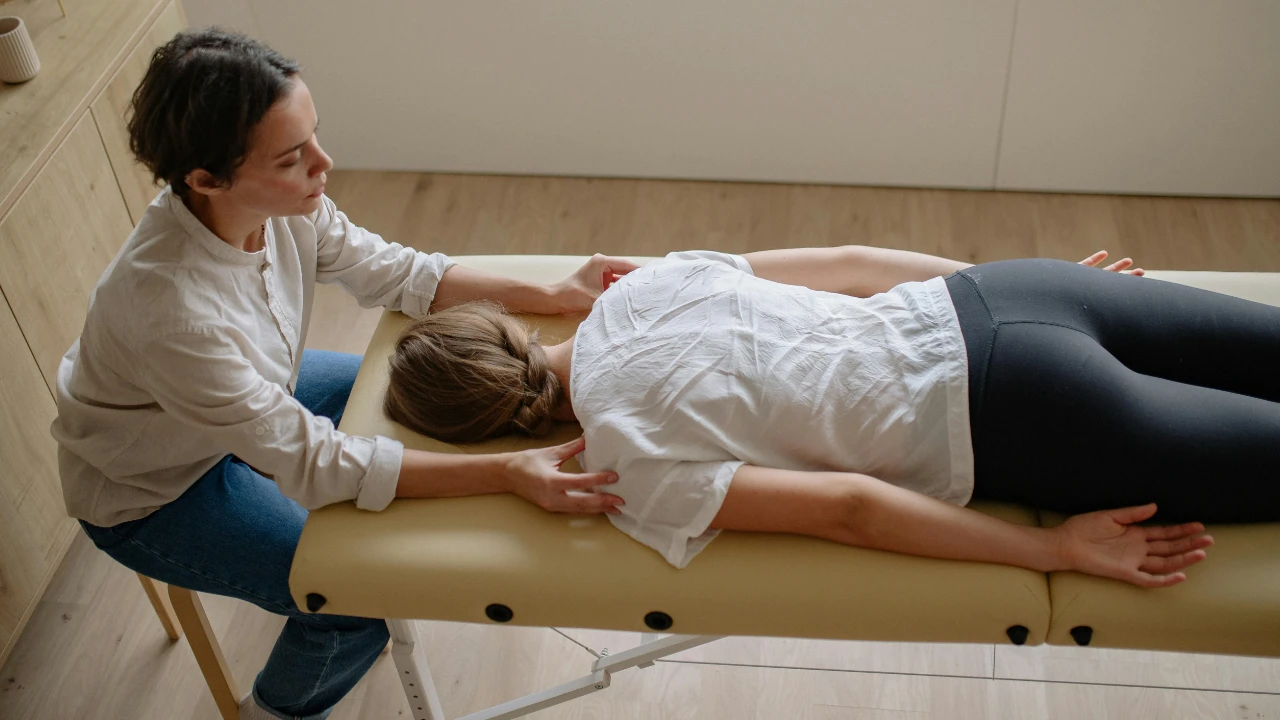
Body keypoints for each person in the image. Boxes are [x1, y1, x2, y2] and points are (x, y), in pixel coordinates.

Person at [49, 28, 631, 720]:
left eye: (315, 137)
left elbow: (399, 272)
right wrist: (507, 474)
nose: (325, 163)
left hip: (243, 407)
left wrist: (553, 291)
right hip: (157, 490)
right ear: (207, 179)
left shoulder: (281, 206)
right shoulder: (175, 315)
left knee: (431, 399)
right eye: (294, 158)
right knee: (358, 600)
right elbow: (319, 464)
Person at [386, 245, 1280, 590]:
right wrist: (1032, 290)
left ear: (495, 430)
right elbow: (856, 263)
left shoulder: (625, 467)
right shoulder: (646, 282)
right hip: (1008, 291)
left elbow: (850, 506)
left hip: (1024, 412)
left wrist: (1055, 549)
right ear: (506, 329)